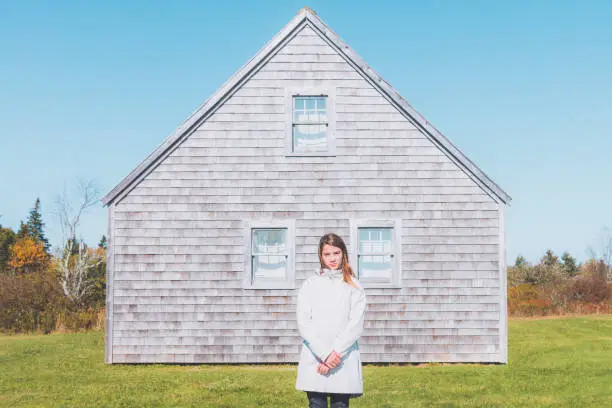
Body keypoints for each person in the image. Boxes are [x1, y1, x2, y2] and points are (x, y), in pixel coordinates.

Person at [295, 233, 367, 408]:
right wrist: (324, 354)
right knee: (316, 404)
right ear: (321, 255)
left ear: (344, 254)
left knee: (340, 405)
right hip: (315, 357)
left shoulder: (354, 286)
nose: (332, 258)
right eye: (327, 254)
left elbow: (355, 325)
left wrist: (335, 354)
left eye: (336, 253)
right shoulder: (310, 285)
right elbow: (304, 323)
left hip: (343, 358)